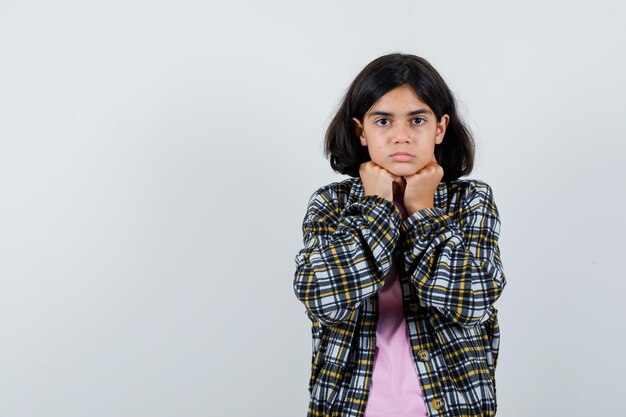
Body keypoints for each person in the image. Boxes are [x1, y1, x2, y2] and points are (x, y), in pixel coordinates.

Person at [292, 52, 506, 417]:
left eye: (417, 120)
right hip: (350, 406)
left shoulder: (470, 201)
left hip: (452, 406)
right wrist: (376, 207)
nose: (401, 136)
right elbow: (320, 296)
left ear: (439, 128)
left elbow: (473, 300)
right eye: (383, 121)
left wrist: (424, 212)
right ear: (362, 131)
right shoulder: (331, 204)